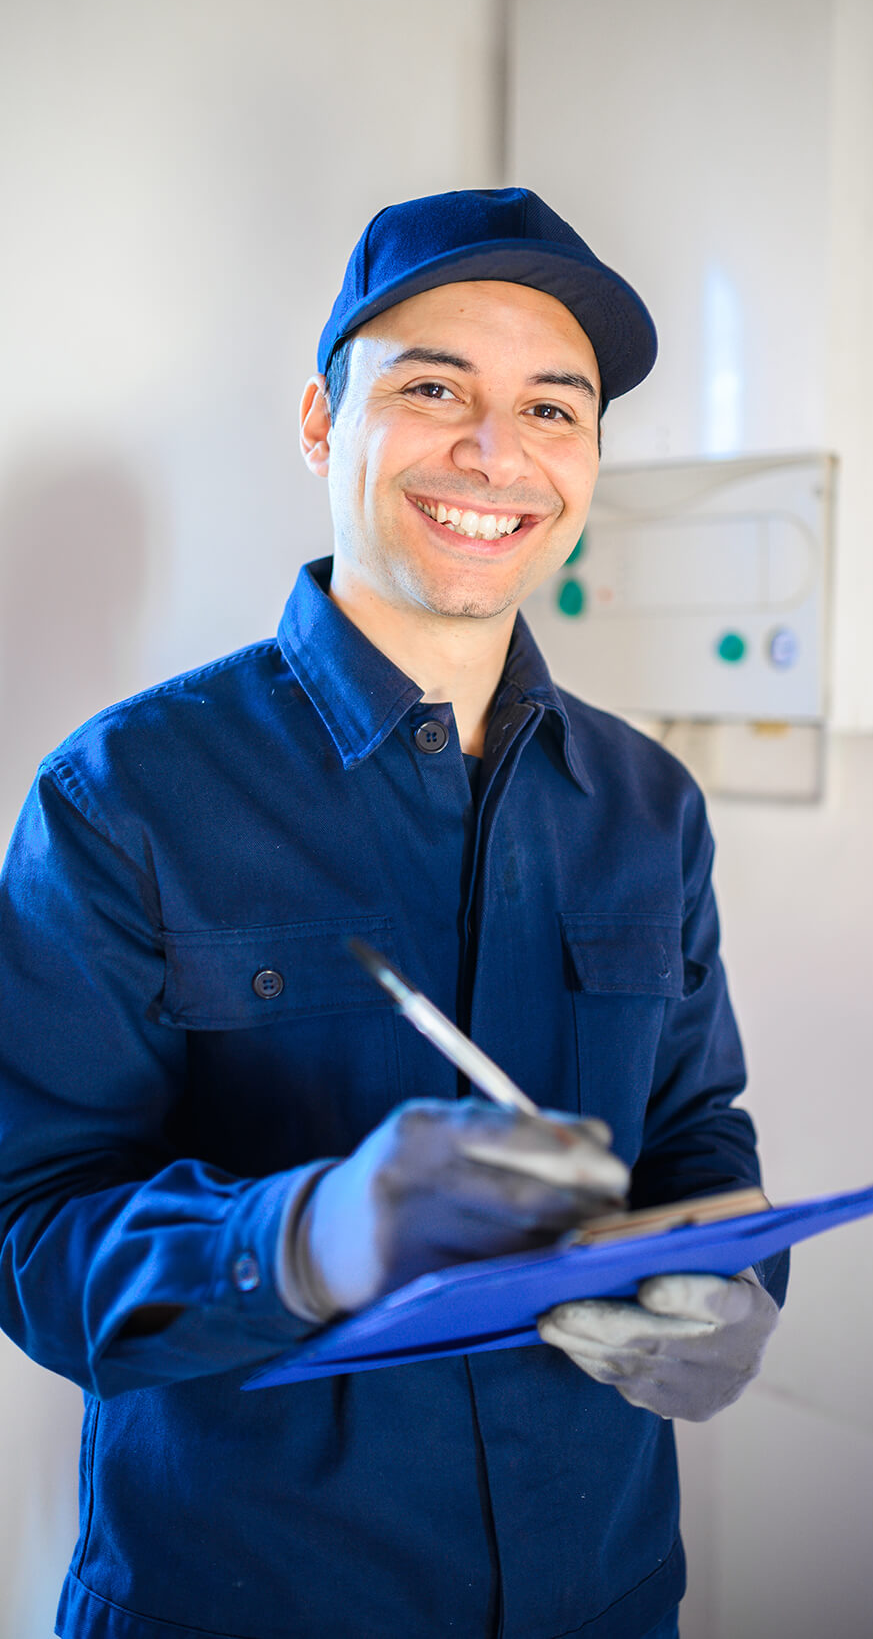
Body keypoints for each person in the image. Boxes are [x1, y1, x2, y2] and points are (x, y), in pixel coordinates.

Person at [0, 187, 787, 1639]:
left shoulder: (651, 806)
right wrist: (310, 1235)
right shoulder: (119, 797)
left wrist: (735, 1281)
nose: (497, 452)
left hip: (602, 1597)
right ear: (319, 422)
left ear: (592, 459)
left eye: (555, 409)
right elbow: (28, 1231)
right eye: (434, 389)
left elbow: (699, 1132)